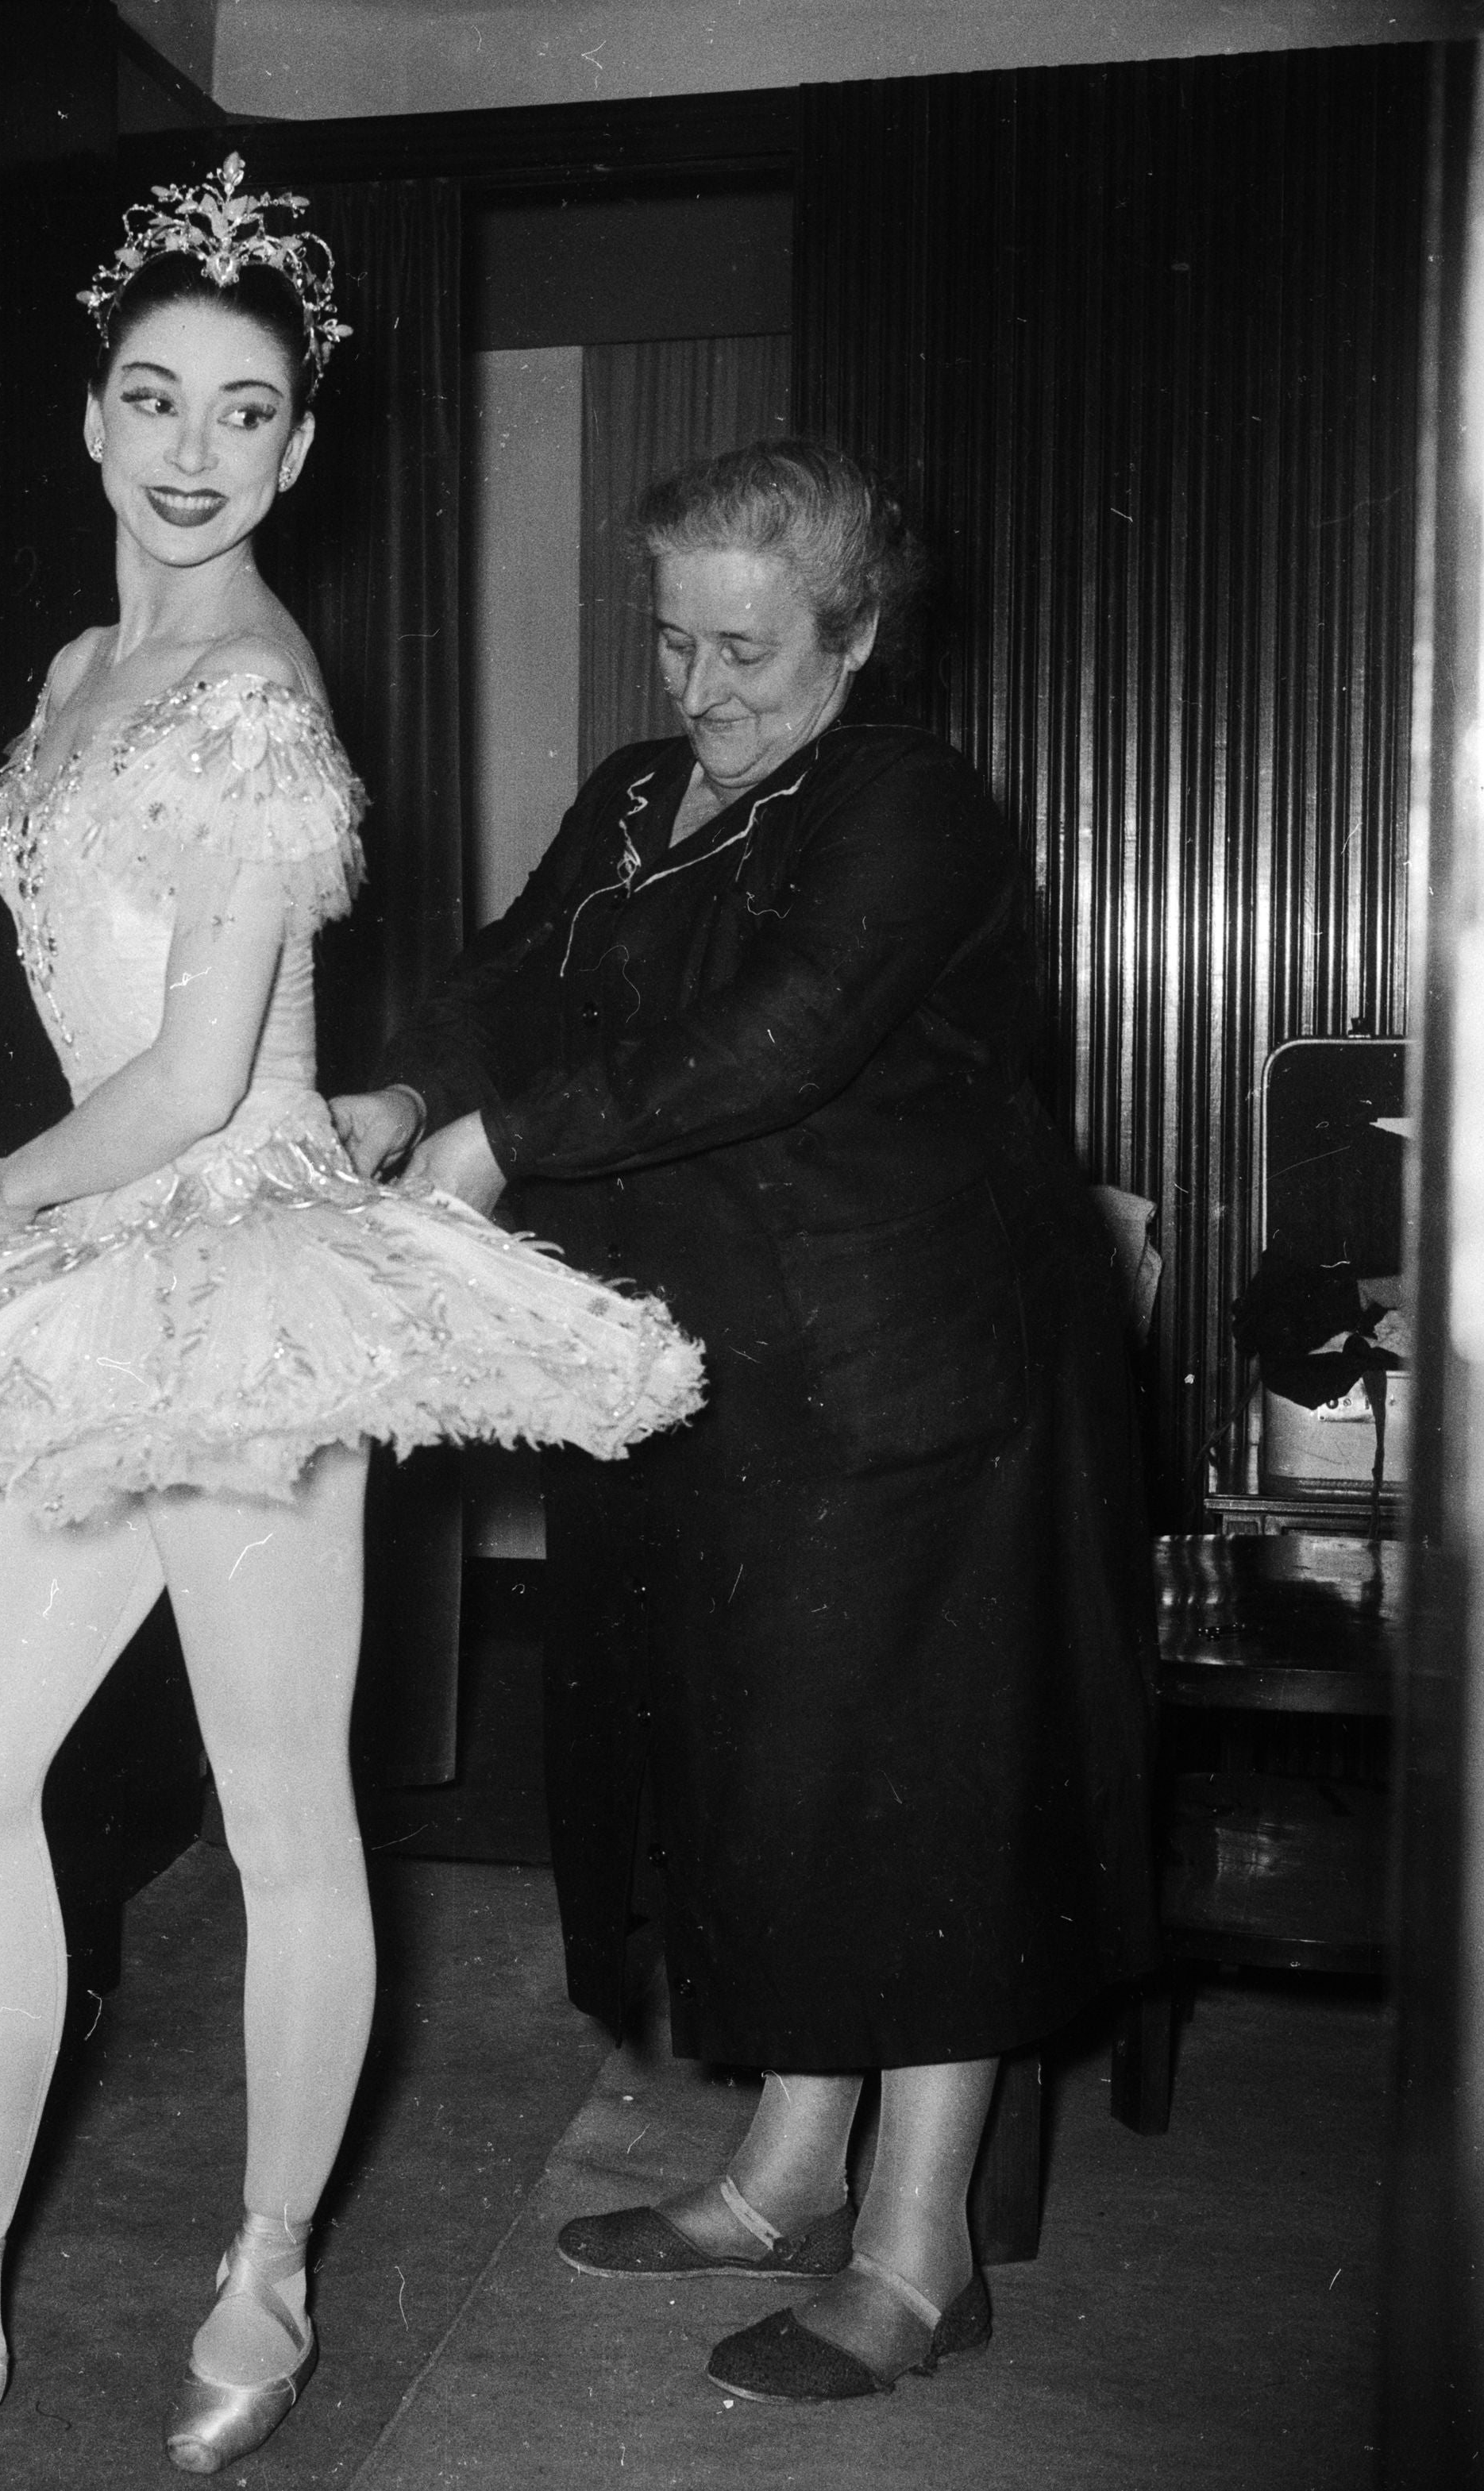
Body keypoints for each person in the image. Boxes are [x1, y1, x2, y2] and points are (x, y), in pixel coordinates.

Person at [0, 158, 700, 2473]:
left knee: (279, 1817)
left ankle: (265, 2269)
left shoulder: (258, 687)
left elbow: (185, 1063)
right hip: (102, 1274)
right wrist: (44, 1212)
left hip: (231, 1271)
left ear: (296, 450)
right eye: (152, 396)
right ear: (92, 415)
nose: (188, 447)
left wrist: (0, 1192)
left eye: (240, 414)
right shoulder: (84, 673)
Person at [333, 438, 1157, 2404]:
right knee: (777, 1781)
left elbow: (781, 1032)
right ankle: (787, 2175)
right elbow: (520, 969)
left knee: (918, 1792)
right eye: (672, 642)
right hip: (720, 1362)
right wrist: (399, 1092)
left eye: (748, 653)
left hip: (915, 1371)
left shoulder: (913, 805)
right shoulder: (641, 792)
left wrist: (500, 1147)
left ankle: (917, 2245)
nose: (700, 691)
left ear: (856, 639)